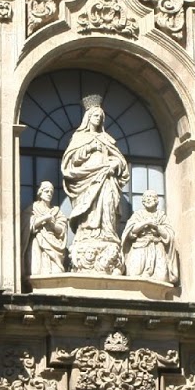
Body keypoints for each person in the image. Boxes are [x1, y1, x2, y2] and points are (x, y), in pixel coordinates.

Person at [60, 95, 130, 274]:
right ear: (88, 118)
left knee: (107, 205)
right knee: (89, 211)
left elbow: (120, 162)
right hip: (87, 181)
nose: (98, 119)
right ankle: (88, 234)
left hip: (106, 180)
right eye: (95, 116)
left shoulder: (108, 139)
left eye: (100, 116)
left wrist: (115, 164)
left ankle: (107, 234)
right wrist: (88, 149)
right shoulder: (79, 138)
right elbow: (70, 162)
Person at [121, 189, 179, 284]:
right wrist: (146, 223)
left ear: (156, 201)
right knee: (133, 275)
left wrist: (157, 227)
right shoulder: (138, 215)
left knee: (162, 278)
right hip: (139, 247)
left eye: (151, 197)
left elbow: (169, 236)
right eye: (146, 197)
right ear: (143, 201)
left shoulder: (161, 216)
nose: (148, 199)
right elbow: (130, 231)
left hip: (157, 248)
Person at [24, 180, 68, 277]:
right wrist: (45, 218)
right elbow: (28, 224)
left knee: (57, 272)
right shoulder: (33, 208)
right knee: (36, 271)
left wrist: (53, 225)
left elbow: (62, 229)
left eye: (51, 192)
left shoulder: (56, 211)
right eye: (46, 191)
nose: (49, 194)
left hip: (54, 243)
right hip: (38, 242)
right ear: (40, 192)